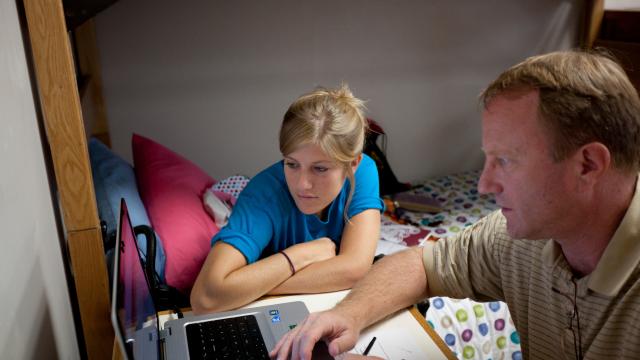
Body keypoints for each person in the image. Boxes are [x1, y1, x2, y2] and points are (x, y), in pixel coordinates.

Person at [271, 50, 640, 360]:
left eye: (506, 161)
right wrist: (347, 315)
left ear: (588, 165)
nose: (484, 184)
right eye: (487, 160)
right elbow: (421, 264)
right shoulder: (517, 238)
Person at [190, 84, 384, 313]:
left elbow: (355, 267)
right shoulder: (262, 196)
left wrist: (256, 285)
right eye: (291, 164)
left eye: (320, 169)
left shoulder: (363, 172)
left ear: (353, 163)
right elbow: (205, 298)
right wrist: (298, 256)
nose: (302, 184)